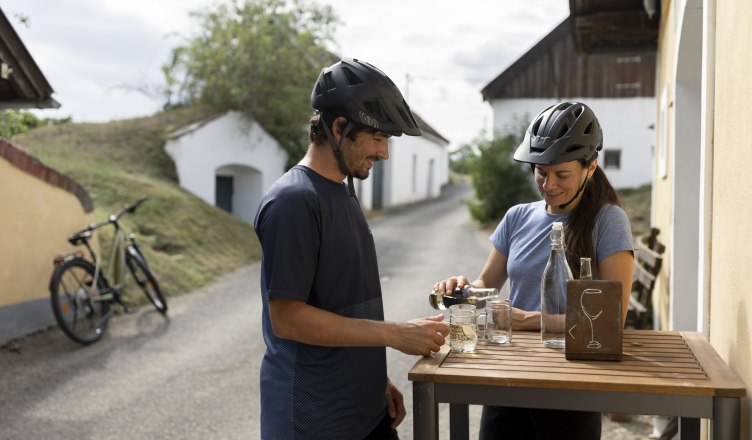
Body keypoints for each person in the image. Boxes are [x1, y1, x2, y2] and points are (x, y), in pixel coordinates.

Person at [254, 58, 450, 440]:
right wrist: (394, 334)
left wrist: (374, 380)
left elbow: (342, 300)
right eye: (377, 138)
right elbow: (288, 318)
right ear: (340, 127)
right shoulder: (294, 201)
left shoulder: (344, 190)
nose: (385, 154)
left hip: (364, 411)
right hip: (312, 420)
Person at [433, 101, 634, 440]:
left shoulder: (608, 221)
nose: (549, 184)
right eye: (541, 172)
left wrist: (526, 320)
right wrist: (462, 290)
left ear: (591, 167)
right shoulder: (517, 217)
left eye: (562, 174)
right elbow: (487, 284)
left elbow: (610, 321)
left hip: (572, 385)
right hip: (508, 376)